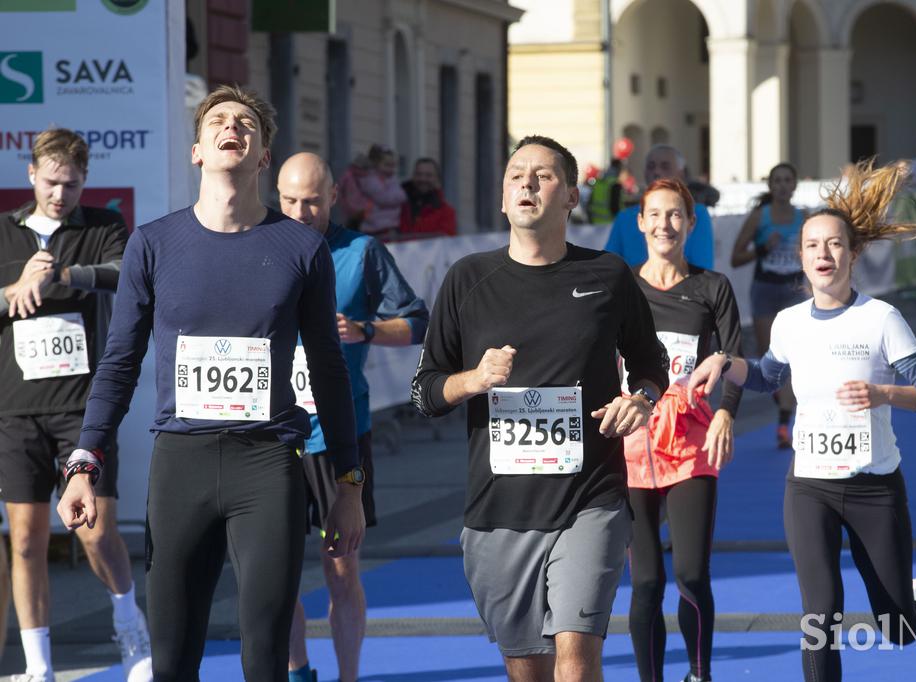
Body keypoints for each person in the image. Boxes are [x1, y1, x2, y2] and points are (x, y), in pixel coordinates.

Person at [55, 85, 366, 681]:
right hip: (182, 463)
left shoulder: (301, 247)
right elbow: (119, 361)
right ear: (197, 150)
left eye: (247, 123)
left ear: (263, 156)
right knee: (173, 659)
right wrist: (83, 460)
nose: (233, 128)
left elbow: (328, 369)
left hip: (268, 464)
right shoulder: (154, 242)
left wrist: (349, 481)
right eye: (219, 120)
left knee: (266, 657)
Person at [689, 160, 916, 682]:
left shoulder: (881, 318)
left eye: (834, 245)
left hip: (875, 488)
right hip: (810, 489)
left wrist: (883, 392)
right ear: (799, 257)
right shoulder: (790, 322)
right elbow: (765, 376)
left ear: (854, 252)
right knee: (820, 618)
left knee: (897, 627)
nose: (823, 255)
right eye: (811, 246)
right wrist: (726, 362)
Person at [412, 135, 669, 681]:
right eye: (516, 175)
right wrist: (473, 380)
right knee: (526, 666)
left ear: (572, 196)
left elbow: (652, 363)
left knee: (576, 656)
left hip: (590, 495)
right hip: (499, 509)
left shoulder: (607, 275)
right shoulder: (466, 279)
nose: (527, 182)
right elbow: (425, 391)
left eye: (544, 175)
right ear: (503, 199)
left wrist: (641, 400)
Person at [0, 128, 151, 682]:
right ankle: (38, 665)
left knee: (95, 532)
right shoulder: (4, 233)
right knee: (24, 540)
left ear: (85, 180)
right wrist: (13, 289)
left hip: (82, 410)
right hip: (16, 408)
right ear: (31, 174)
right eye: (50, 181)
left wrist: (61, 275)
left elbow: (125, 276)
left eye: (71, 184)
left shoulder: (102, 227)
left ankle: (130, 627)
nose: (59, 194)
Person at [277, 152, 429, 682]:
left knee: (341, 569)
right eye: (290, 200)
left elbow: (417, 322)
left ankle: (347, 677)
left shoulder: (360, 252)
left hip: (341, 434)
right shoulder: (257, 246)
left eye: (312, 201)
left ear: (335, 197)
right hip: (273, 437)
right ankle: (298, 672)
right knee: (277, 575)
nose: (300, 212)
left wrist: (366, 331)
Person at [623, 178, 743, 682]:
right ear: (641, 223)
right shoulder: (621, 287)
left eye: (676, 216)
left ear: (691, 224)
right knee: (646, 582)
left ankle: (699, 675)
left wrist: (726, 411)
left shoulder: (712, 287)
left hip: (692, 444)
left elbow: (736, 359)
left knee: (691, 573)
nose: (665, 224)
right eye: (656, 215)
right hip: (630, 449)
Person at [730, 162, 807, 449]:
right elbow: (736, 257)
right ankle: (782, 400)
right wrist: (763, 247)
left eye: (788, 180)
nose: (783, 186)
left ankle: (784, 423)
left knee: (793, 358)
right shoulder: (759, 217)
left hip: (793, 290)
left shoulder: (804, 217)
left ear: (795, 185)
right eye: (778, 181)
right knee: (771, 361)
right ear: (770, 186)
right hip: (765, 290)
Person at [604, 144, 714, 270]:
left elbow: (703, 271)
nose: (656, 172)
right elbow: (609, 269)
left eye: (665, 166)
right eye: (651, 167)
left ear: (681, 173)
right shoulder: (625, 218)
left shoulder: (698, 214)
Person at [399, 157, 457, 237]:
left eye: (428, 175)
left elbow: (446, 244)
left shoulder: (446, 213)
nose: (423, 179)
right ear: (413, 176)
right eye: (419, 174)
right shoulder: (396, 204)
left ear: (437, 179)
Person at [358, 144, 406, 240]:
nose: (391, 169)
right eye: (387, 165)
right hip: (375, 225)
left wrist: (396, 195)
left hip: (390, 224)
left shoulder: (391, 179)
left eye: (393, 165)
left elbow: (400, 195)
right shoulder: (370, 180)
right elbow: (384, 199)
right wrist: (398, 196)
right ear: (376, 163)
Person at [585, 159, 623, 224]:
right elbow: (615, 208)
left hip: (595, 224)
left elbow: (589, 204)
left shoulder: (598, 182)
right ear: (619, 169)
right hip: (609, 224)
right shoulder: (615, 184)